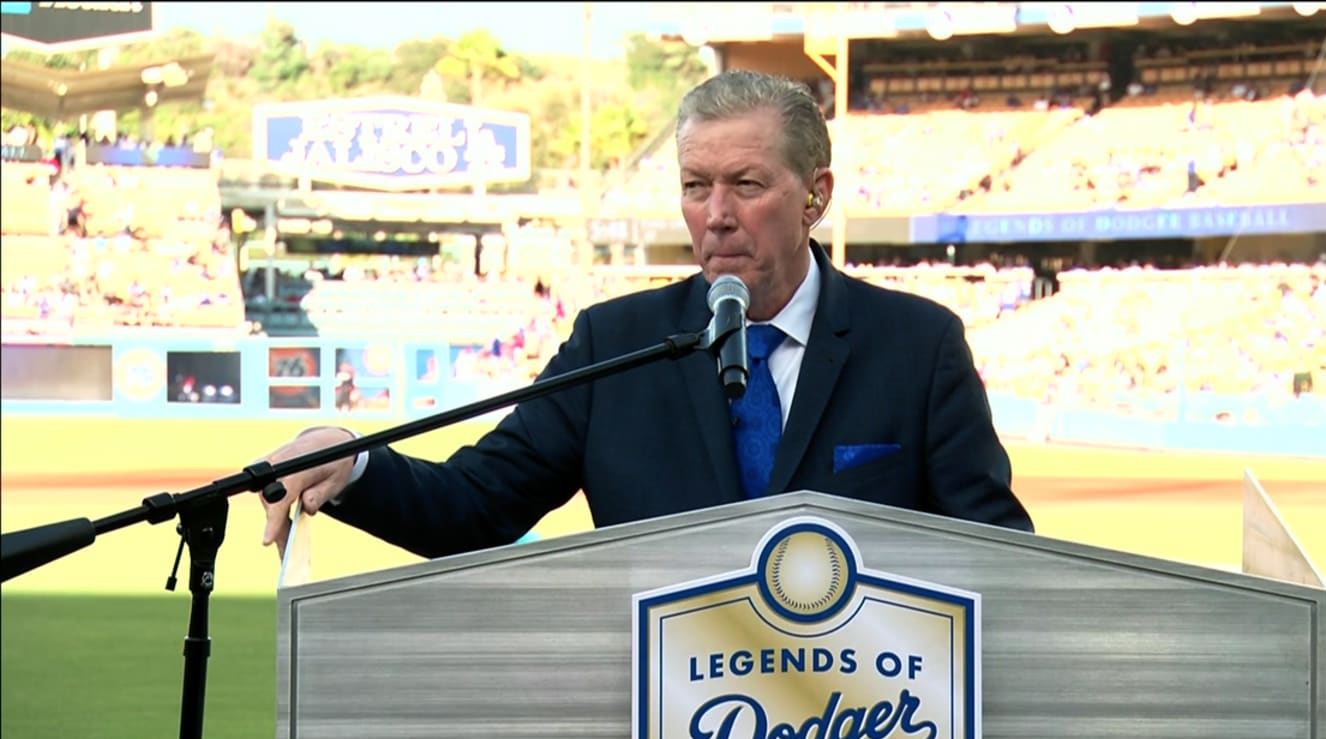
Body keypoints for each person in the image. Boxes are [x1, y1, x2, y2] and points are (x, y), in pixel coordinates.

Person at [258, 69, 1033, 561]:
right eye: (696, 187)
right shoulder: (615, 342)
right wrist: (356, 463)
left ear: (816, 198)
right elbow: (476, 506)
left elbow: (1000, 557)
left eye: (747, 185)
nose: (717, 215)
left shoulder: (916, 346)